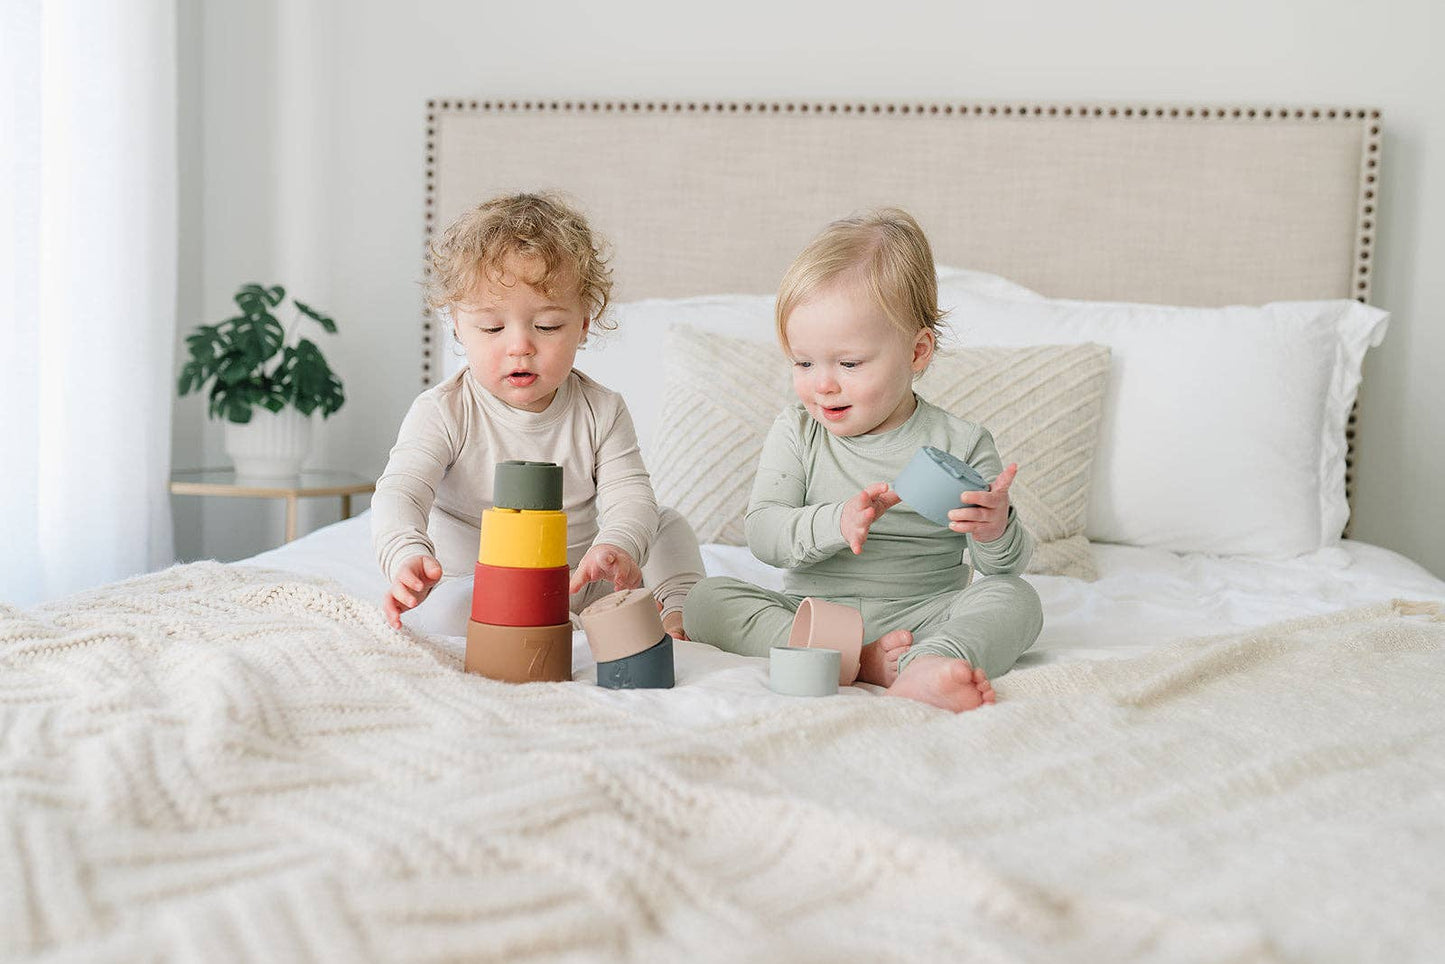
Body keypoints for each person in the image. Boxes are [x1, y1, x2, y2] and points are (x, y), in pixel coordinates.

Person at [683, 208, 1043, 712]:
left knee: (1016, 600)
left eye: (848, 363)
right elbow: (764, 534)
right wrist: (836, 520)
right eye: (803, 362)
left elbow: (999, 567)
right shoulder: (798, 432)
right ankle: (859, 661)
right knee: (707, 600)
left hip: (925, 612)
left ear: (917, 352)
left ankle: (930, 662)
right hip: (814, 616)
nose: (823, 383)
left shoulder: (960, 441)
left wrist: (994, 529)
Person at [372, 192, 703, 639]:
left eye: (547, 326)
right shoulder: (444, 412)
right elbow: (400, 494)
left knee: (664, 523)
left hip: (578, 583)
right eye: (492, 328)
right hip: (480, 585)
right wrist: (407, 555)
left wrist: (615, 547)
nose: (520, 346)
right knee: (447, 610)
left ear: (585, 322)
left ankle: (677, 612)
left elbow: (630, 498)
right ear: (456, 324)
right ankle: (531, 621)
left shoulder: (601, 410)